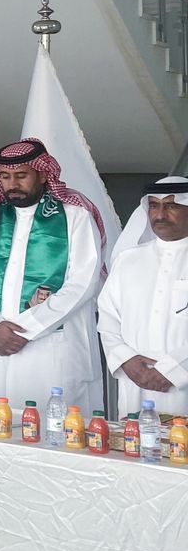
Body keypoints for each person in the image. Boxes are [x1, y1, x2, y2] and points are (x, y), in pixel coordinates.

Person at [0, 139, 105, 408]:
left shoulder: (74, 214)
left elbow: (84, 280)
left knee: (55, 423)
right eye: (5, 176)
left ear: (42, 174)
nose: (12, 184)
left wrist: (26, 329)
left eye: (21, 175)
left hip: (52, 343)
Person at [98, 176, 188, 416]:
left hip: (183, 385)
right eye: (154, 206)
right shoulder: (128, 259)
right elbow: (107, 318)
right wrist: (125, 360)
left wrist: (175, 370)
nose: (160, 215)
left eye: (172, 206)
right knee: (133, 437)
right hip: (135, 381)